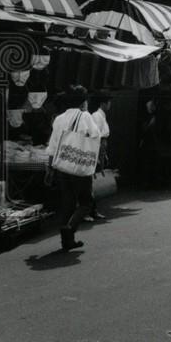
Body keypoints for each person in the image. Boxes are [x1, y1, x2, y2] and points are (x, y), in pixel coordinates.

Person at [46, 85, 102, 252]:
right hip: (79, 165)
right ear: (83, 102)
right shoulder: (85, 116)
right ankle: (70, 227)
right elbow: (96, 135)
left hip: (61, 166)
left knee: (68, 202)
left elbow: (53, 145)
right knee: (86, 202)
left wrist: (49, 169)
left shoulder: (59, 119)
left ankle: (67, 241)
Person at [85, 91, 112, 221]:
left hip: (102, 146)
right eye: (108, 102)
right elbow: (95, 136)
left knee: (95, 180)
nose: (110, 104)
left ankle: (93, 210)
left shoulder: (102, 115)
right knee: (92, 181)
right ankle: (88, 210)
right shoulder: (96, 116)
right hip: (97, 146)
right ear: (103, 103)